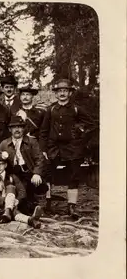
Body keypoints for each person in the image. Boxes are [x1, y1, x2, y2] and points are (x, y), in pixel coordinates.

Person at [40, 79, 94, 219]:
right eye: (59, 91)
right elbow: (44, 131)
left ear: (69, 93)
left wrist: (81, 139)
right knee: (47, 173)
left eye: (65, 91)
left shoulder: (76, 109)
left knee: (74, 176)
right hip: (53, 147)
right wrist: (43, 149)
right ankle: (48, 203)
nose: (62, 93)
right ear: (56, 94)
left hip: (73, 148)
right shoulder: (51, 109)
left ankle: (72, 207)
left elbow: (92, 125)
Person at [0, 116, 47, 216]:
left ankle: (40, 207)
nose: (17, 130)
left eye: (20, 127)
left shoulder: (32, 141)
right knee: (19, 194)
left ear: (23, 129)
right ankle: (11, 211)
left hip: (29, 172)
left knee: (38, 185)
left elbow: (39, 158)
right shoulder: (4, 143)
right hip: (14, 174)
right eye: (14, 127)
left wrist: (36, 173)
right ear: (10, 129)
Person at [0, 151, 42, 228]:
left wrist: (17, 200)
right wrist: (9, 201)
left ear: (5, 165)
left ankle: (9, 213)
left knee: (11, 187)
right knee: (6, 208)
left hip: (14, 204)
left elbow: (22, 191)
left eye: (1, 164)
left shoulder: (12, 177)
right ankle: (30, 219)